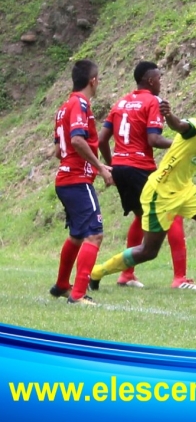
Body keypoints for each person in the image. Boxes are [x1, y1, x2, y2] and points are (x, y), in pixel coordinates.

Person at [89, 95, 196, 294]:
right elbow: (179, 125)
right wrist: (169, 115)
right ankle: (96, 273)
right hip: (161, 193)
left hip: (185, 190)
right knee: (149, 251)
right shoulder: (195, 127)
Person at [98, 61, 196, 291]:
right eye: (159, 79)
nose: (161, 83)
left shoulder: (121, 102)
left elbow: (101, 140)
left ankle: (127, 274)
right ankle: (180, 279)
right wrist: (182, 143)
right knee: (172, 213)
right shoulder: (152, 101)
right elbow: (153, 140)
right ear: (150, 80)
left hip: (121, 168)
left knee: (140, 217)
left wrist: (112, 165)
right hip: (139, 167)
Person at [49, 59, 114, 306]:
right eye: (99, 79)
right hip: (76, 181)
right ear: (93, 80)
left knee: (77, 235)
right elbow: (76, 141)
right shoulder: (81, 104)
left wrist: (94, 167)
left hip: (66, 178)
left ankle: (62, 285)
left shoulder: (64, 107)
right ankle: (77, 295)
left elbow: (59, 150)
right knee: (95, 234)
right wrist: (100, 168)